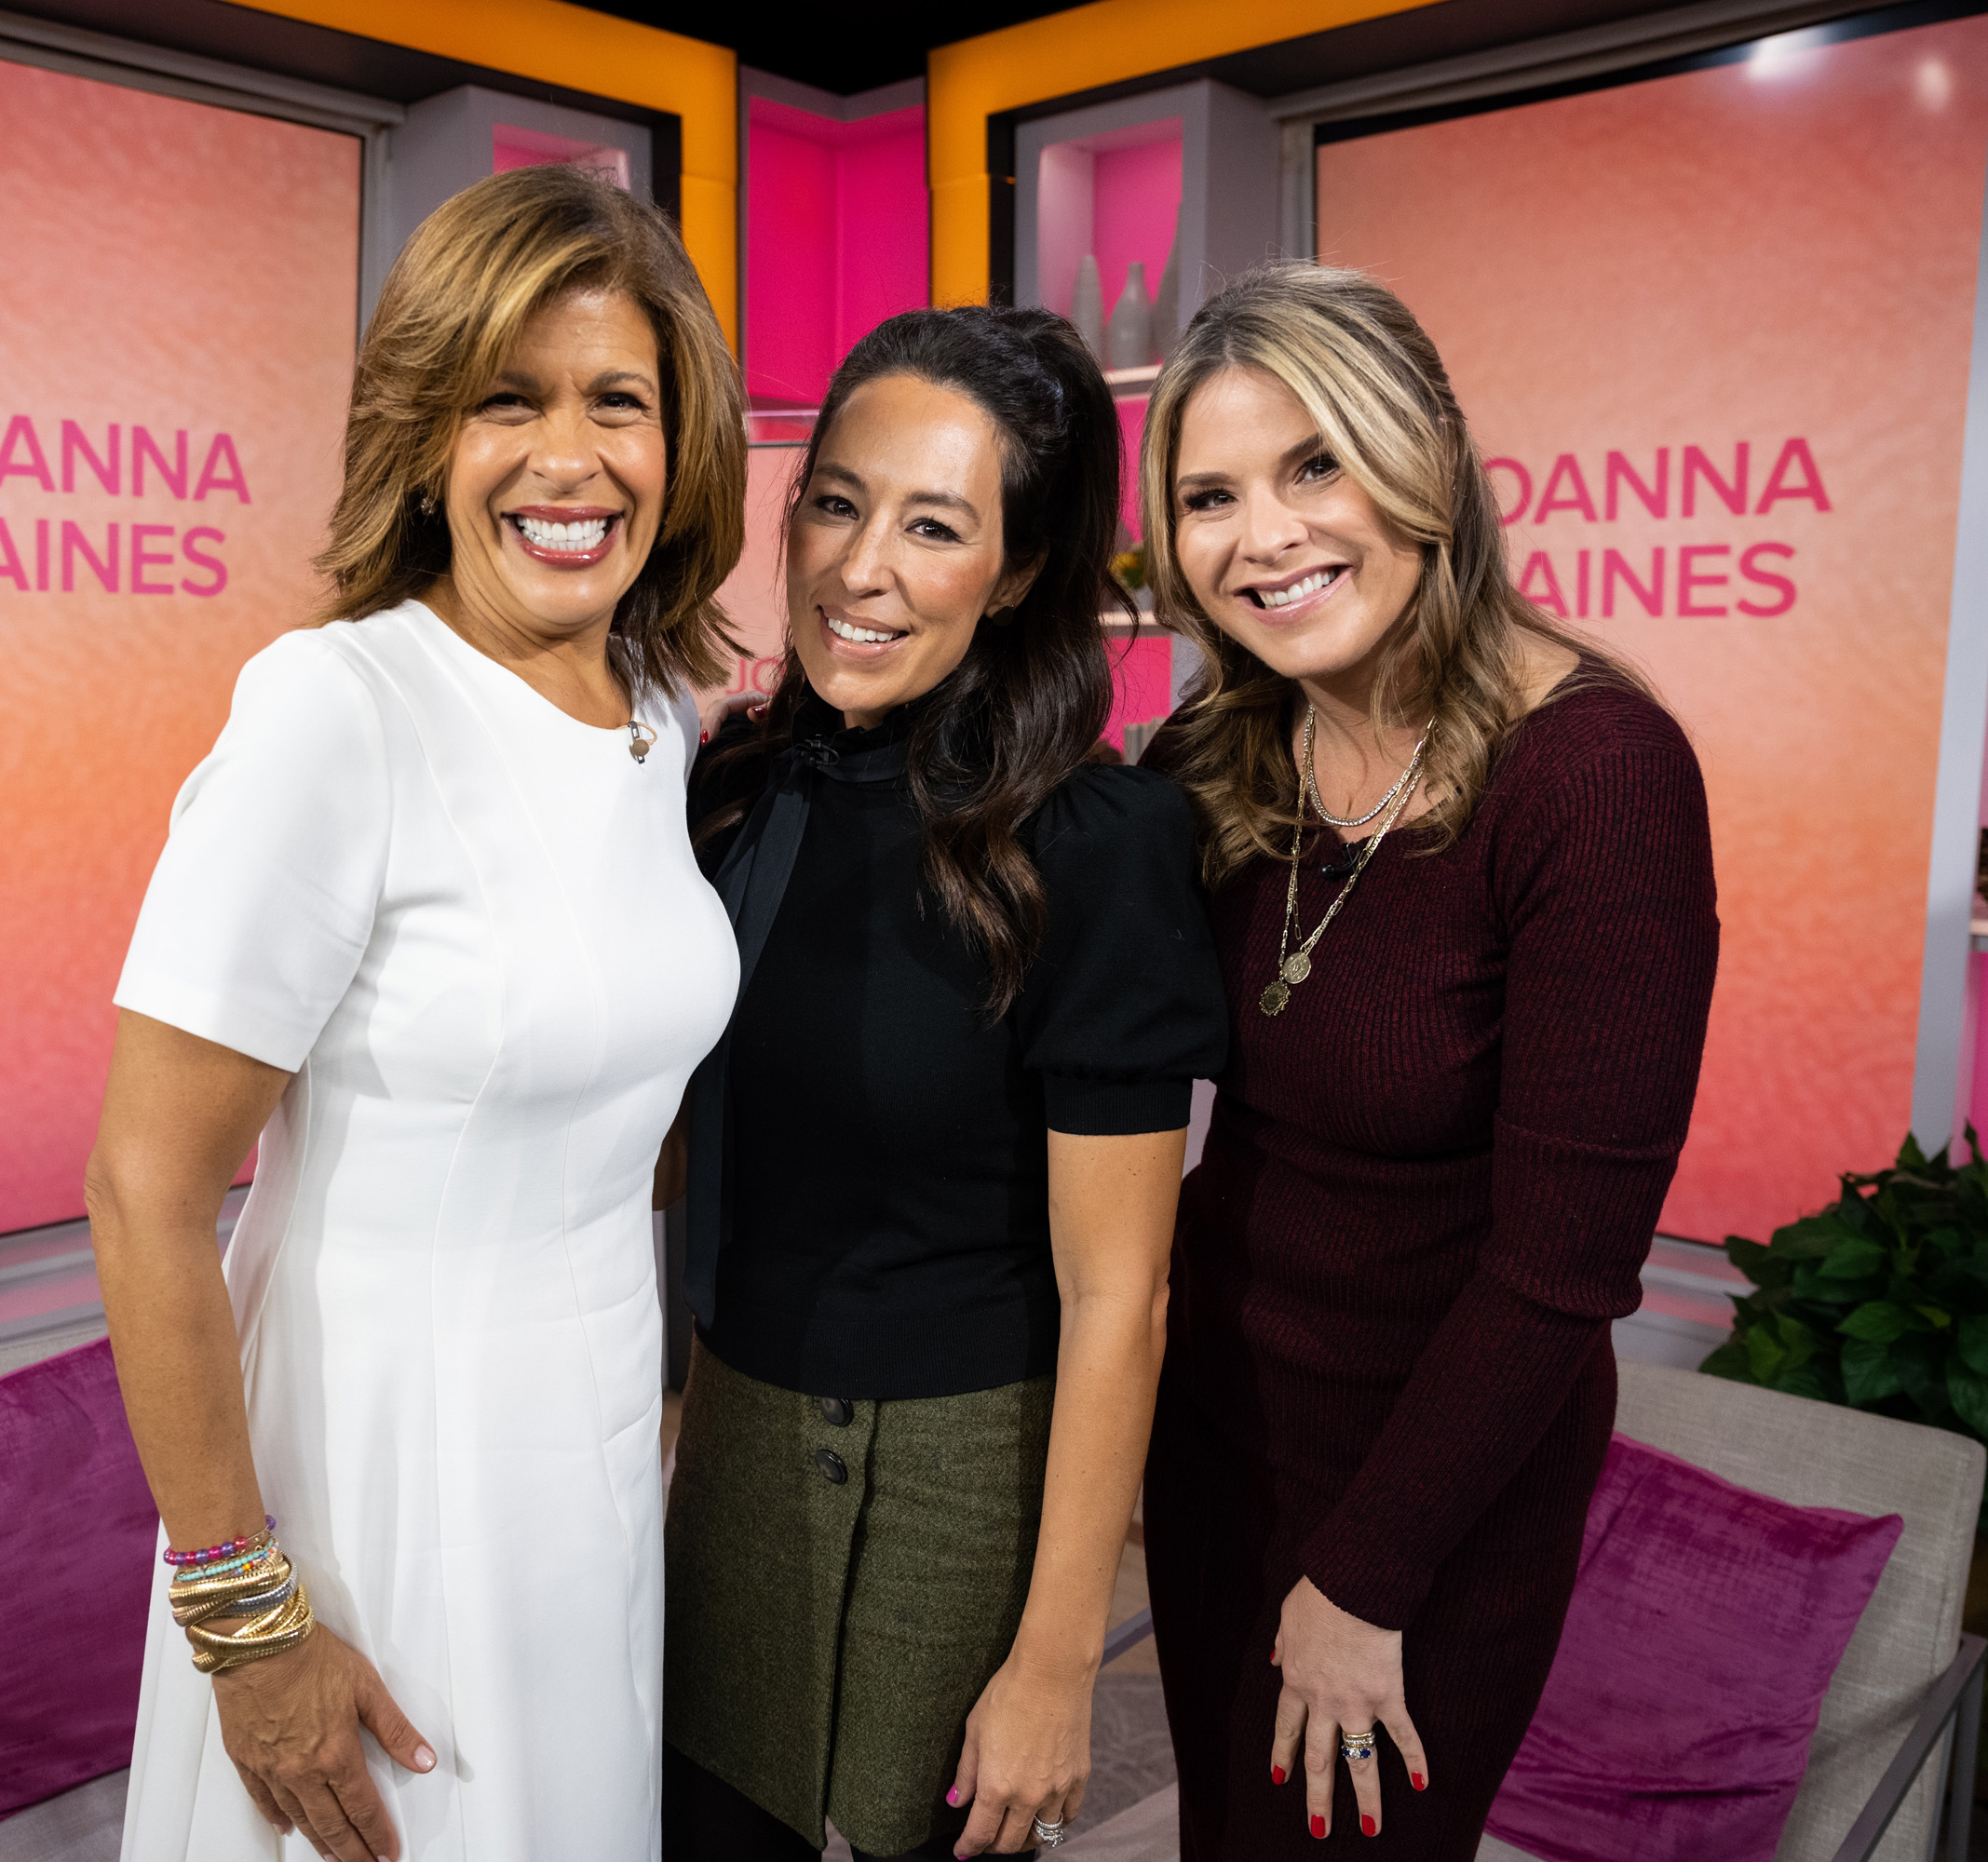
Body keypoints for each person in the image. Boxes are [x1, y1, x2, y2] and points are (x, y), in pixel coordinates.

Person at [89, 163, 748, 1862]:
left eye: (618, 401)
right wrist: (247, 1620)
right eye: (503, 402)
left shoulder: (659, 712)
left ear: (682, 445)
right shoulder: (340, 709)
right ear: (421, 435)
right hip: (384, 1456)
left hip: (592, 1443)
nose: (567, 458)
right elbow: (147, 1194)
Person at [1134, 263, 1720, 1859]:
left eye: (1315, 463)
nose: (1265, 534)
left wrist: (1367, 1577)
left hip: (1435, 1494)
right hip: (1219, 1447)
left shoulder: (1594, 777)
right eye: (1210, 495)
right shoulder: (1221, 749)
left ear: (1433, 461)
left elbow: (1565, 1268)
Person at [663, 306, 1228, 1862]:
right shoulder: (725, 790)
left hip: (956, 1476)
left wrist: (1058, 1660)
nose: (861, 569)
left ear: (1025, 568)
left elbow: (1124, 1299)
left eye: (935, 526)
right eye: (837, 503)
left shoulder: (1099, 852)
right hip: (730, 1446)